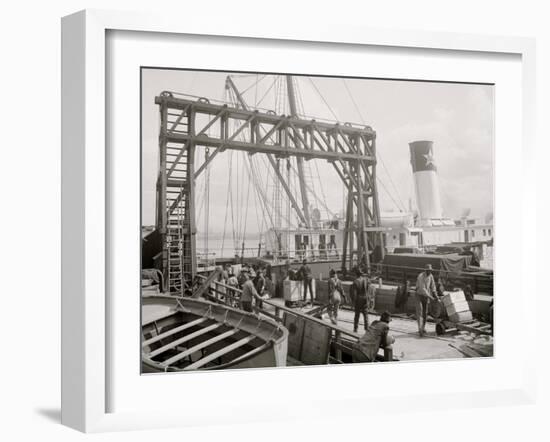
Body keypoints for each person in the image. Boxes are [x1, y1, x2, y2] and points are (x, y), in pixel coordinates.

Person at [415, 264, 438, 336]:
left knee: (425, 313)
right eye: (428, 271)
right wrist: (431, 297)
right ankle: (420, 329)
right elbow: (423, 289)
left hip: (426, 297)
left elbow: (433, 286)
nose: (429, 272)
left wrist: (435, 295)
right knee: (420, 312)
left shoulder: (431, 276)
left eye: (430, 271)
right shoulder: (420, 276)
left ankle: (423, 327)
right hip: (419, 295)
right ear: (425, 270)